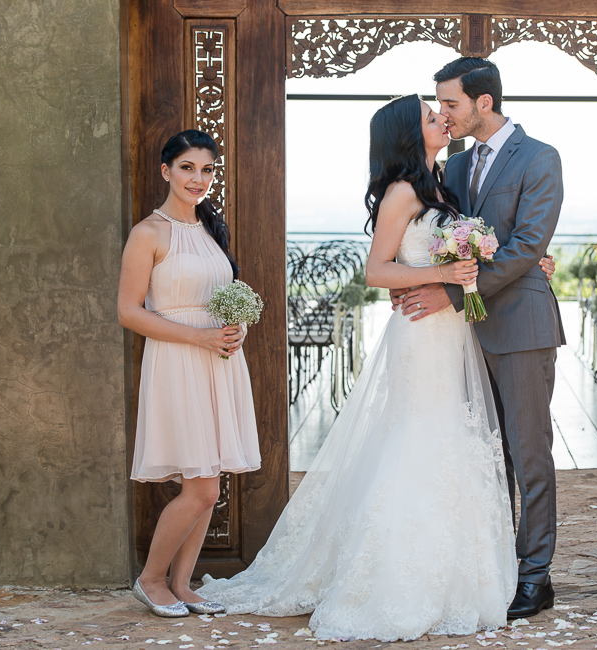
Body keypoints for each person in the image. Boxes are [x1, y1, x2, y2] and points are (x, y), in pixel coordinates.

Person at [198, 95, 557, 641]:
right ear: (408, 135)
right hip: (420, 335)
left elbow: (486, 245)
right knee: (421, 439)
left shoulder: (443, 182)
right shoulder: (404, 191)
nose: (442, 118)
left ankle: (465, 575)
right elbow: (376, 270)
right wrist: (430, 280)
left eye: (444, 110)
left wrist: (512, 261)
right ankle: (398, 578)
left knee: (457, 445)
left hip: (456, 332)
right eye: (430, 116)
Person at [393, 57, 565, 619]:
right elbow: (439, 235)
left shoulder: (540, 158)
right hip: (460, 339)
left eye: (450, 103)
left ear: (483, 103)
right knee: (484, 457)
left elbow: (524, 246)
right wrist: (414, 277)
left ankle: (535, 576)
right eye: (438, 105)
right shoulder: (456, 168)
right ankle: (493, 567)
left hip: (521, 328)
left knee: (528, 453)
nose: (443, 114)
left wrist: (448, 293)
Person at [118, 130, 260, 617]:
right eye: (187, 168)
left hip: (217, 362)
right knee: (201, 486)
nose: (197, 179)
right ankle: (151, 579)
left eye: (206, 170)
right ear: (166, 171)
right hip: (178, 361)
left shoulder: (209, 230)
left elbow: (221, 298)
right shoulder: (148, 234)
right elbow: (128, 312)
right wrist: (196, 337)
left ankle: (182, 583)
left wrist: (235, 327)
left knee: (209, 482)